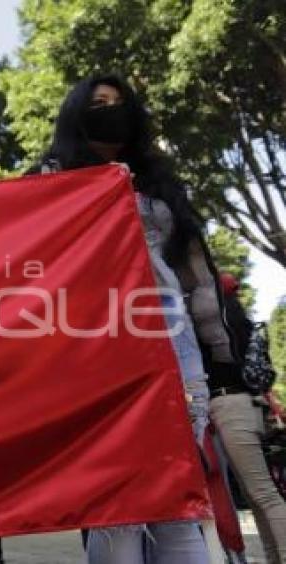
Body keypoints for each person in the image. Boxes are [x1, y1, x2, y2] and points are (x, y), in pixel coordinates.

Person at [29, 74, 238, 563]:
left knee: (179, 499)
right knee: (117, 507)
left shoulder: (160, 182)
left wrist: (221, 352)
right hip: (93, 351)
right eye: (99, 103)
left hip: (170, 340)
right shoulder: (49, 179)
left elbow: (197, 277)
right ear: (77, 112)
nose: (110, 110)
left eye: (120, 103)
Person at [214, 272, 286, 562]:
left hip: (230, 407)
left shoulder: (215, 330)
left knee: (263, 494)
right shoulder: (242, 324)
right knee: (257, 496)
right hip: (250, 406)